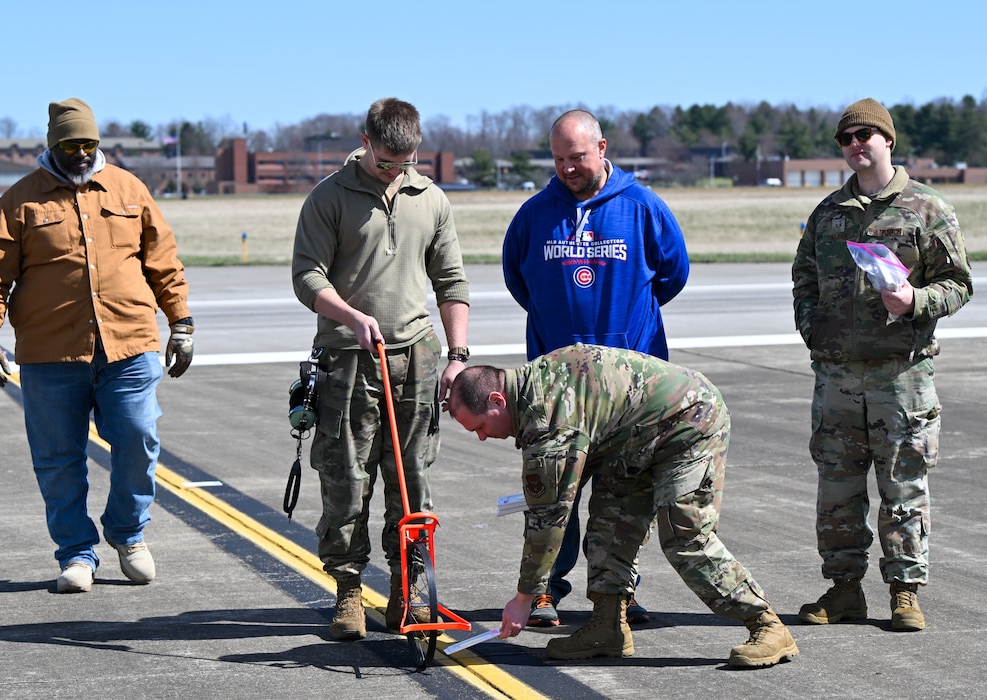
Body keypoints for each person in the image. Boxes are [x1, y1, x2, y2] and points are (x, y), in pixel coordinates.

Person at [446, 343, 798, 667]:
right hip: (633, 441)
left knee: (684, 535)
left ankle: (767, 624)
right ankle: (607, 627)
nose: (481, 437)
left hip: (689, 422)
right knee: (609, 526)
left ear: (497, 400)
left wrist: (524, 598)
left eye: (478, 426)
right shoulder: (533, 389)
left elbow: (549, 519)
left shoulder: (549, 418)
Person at [0, 98, 195, 594]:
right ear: (52, 145)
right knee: (58, 458)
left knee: (138, 440)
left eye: (89, 144)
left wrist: (181, 324)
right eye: (71, 145)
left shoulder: (129, 188)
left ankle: (127, 533)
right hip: (51, 354)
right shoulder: (20, 201)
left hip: (129, 344)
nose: (81, 153)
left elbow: (164, 261)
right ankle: (76, 552)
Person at [502, 109, 689, 627]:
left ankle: (617, 593)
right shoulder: (534, 215)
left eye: (578, 157)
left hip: (629, 389)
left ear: (602, 148)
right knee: (552, 493)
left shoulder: (643, 207)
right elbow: (520, 283)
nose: (568, 168)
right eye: (559, 159)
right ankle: (544, 591)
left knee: (623, 496)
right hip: (556, 389)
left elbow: (673, 275)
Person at [292, 97, 470, 641]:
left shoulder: (431, 198)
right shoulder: (329, 197)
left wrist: (457, 358)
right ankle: (348, 589)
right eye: (388, 161)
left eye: (407, 160)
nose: (398, 171)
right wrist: (349, 315)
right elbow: (307, 277)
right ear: (365, 142)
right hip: (349, 360)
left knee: (412, 479)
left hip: (417, 358)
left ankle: (407, 589)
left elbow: (452, 283)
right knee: (346, 477)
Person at [792, 97, 972, 631]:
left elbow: (959, 283)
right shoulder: (828, 214)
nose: (855, 145)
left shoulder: (927, 208)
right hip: (838, 378)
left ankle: (904, 592)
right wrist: (813, 330)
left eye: (865, 135)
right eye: (846, 139)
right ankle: (844, 589)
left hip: (901, 377)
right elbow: (804, 279)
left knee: (903, 485)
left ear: (887, 141)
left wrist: (915, 302)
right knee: (838, 490)